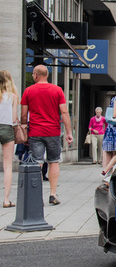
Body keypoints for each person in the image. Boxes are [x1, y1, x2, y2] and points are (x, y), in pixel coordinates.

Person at [20, 65, 73, 205]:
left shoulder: (28, 91)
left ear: (36, 75)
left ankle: (36, 195)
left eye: (32, 74)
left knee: (37, 162)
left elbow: (24, 115)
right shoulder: (57, 90)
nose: (32, 76)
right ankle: (53, 194)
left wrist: (25, 129)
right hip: (53, 131)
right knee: (53, 161)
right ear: (47, 75)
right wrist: (69, 132)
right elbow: (64, 112)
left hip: (35, 132)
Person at [0, 70, 19, 208]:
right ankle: (6, 200)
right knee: (7, 166)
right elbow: (13, 119)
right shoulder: (13, 96)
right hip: (7, 129)